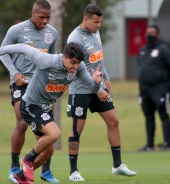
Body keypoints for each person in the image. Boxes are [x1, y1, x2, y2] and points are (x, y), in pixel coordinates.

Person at [0, 41, 103, 184]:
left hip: (45, 108)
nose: (75, 66)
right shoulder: (48, 60)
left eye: (78, 63)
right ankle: (28, 159)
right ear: (64, 57)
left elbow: (92, 88)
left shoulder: (78, 68)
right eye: (72, 62)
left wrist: (97, 82)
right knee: (55, 133)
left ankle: (21, 177)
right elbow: (23, 48)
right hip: (30, 105)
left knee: (48, 152)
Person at [66, 4, 137, 181]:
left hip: (98, 85)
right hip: (81, 90)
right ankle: (73, 171)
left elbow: (98, 57)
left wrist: (105, 77)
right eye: (95, 22)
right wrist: (97, 90)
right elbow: (77, 69)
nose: (98, 25)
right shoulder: (75, 38)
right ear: (86, 19)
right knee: (78, 128)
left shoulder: (95, 32)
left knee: (113, 120)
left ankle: (117, 165)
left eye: (100, 22)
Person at [0, 0, 59, 183]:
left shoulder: (52, 33)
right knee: (22, 122)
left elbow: (52, 58)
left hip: (42, 85)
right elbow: (2, 52)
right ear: (33, 14)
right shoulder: (16, 30)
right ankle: (14, 166)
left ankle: (46, 171)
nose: (45, 21)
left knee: (49, 127)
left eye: (48, 17)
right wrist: (14, 72)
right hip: (21, 82)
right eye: (42, 17)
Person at [137, 25, 170, 151]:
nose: (149, 35)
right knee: (148, 116)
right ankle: (149, 145)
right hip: (145, 90)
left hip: (160, 88)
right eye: (147, 32)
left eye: (152, 32)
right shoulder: (143, 50)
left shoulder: (163, 50)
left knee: (163, 114)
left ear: (158, 34)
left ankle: (167, 143)